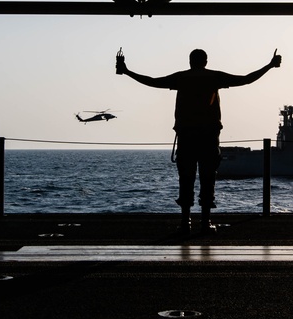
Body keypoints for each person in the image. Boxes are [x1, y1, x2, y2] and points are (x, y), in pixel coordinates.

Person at [117, 48, 282, 235]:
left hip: (186, 135)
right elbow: (245, 79)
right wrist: (269, 66)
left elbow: (152, 82)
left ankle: (185, 222)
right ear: (205, 61)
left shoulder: (181, 78)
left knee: (185, 179)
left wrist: (127, 71)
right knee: (208, 178)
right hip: (209, 136)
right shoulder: (214, 78)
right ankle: (205, 222)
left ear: (190, 61)